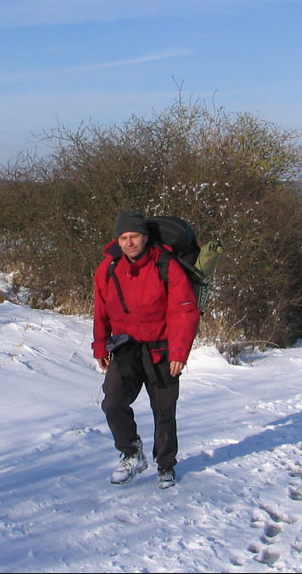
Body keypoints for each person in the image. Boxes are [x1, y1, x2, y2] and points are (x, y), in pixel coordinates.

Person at [92, 209, 200, 488]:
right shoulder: (109, 268)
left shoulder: (166, 264)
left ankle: (165, 465)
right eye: (124, 237)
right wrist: (100, 345)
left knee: (164, 411)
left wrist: (178, 352)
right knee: (112, 402)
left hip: (161, 349)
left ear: (145, 236)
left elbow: (184, 310)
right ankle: (131, 453)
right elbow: (101, 310)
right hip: (126, 347)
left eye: (134, 236)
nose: (129, 243)